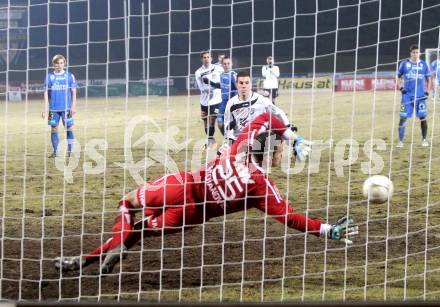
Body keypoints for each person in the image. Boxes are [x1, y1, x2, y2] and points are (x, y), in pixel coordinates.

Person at [54, 113, 358, 274]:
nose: (285, 151)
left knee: (127, 204)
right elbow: (290, 218)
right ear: (269, 155)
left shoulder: (243, 143)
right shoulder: (261, 187)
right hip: (189, 215)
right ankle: (94, 257)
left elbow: (267, 117)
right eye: (282, 149)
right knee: (140, 231)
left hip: (184, 185)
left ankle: (100, 252)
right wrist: (327, 230)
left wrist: (291, 133)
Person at [223, 71, 289, 143]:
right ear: (236, 84)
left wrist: (287, 126)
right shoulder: (231, 103)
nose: (244, 86)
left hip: (259, 139)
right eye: (241, 83)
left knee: (276, 146)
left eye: (247, 83)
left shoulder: (262, 100)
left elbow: (278, 113)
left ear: (250, 84)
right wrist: (229, 139)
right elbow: (227, 124)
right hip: (239, 140)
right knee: (221, 154)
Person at [42, 54, 77, 158]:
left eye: (61, 63)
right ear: (53, 65)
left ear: (64, 64)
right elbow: (45, 93)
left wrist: (74, 106)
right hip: (53, 109)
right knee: (53, 129)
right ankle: (56, 151)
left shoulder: (70, 76)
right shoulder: (49, 77)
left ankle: (71, 151)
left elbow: (74, 91)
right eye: (57, 63)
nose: (59, 65)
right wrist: (45, 110)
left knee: (69, 128)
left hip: (66, 108)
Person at [397, 45, 432, 148]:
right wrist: (400, 88)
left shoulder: (423, 64)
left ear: (419, 53)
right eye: (413, 52)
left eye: (417, 52)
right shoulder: (404, 64)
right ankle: (400, 141)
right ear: (410, 53)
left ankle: (424, 140)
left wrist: (427, 92)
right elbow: (397, 77)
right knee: (403, 118)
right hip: (407, 96)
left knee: (423, 117)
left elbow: (429, 79)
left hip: (420, 96)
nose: (415, 54)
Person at [195, 51, 223, 150]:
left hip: (216, 100)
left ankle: (211, 142)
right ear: (201, 59)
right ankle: (211, 141)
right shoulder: (198, 72)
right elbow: (202, 88)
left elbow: (222, 84)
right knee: (205, 121)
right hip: (204, 101)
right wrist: (215, 86)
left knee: (212, 120)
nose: (206, 59)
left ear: (211, 58)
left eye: (208, 57)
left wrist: (212, 84)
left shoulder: (218, 69)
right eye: (204, 57)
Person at [203, 55, 237, 135]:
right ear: (222, 65)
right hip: (223, 102)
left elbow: (237, 88)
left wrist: (233, 100)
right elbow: (221, 86)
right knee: (220, 122)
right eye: (224, 64)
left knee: (232, 124)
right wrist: (209, 82)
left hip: (232, 103)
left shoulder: (233, 75)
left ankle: (233, 141)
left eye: (228, 63)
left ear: (231, 64)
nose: (226, 65)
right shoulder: (221, 74)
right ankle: (226, 139)